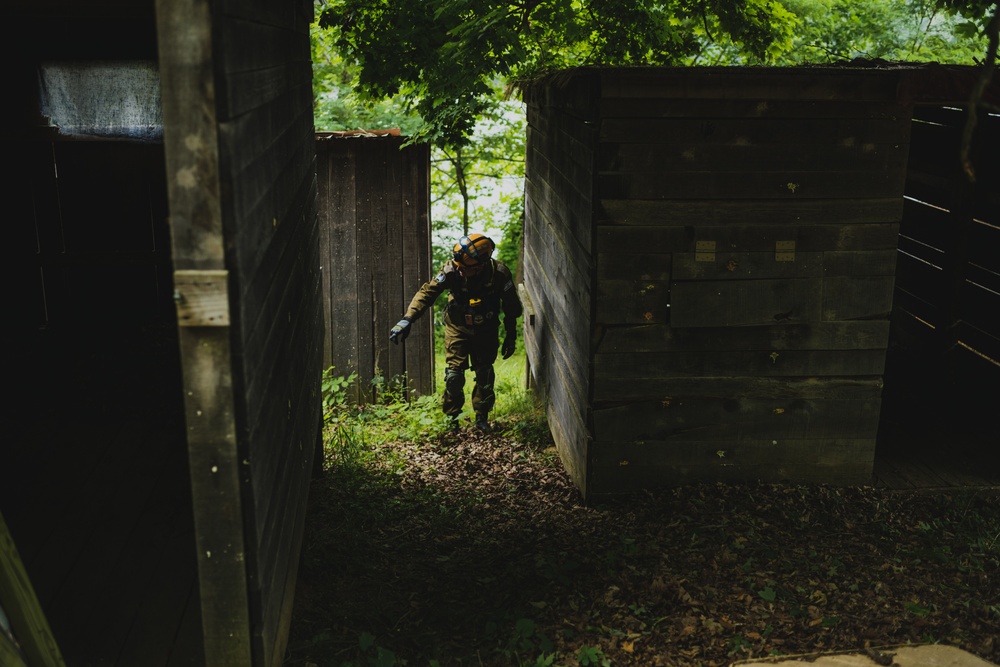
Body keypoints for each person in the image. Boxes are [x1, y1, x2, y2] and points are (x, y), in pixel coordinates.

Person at [389, 233, 522, 432]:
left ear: (480, 266)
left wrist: (511, 336)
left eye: (464, 269)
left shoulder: (499, 274)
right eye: (457, 266)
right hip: (457, 327)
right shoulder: (452, 269)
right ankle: (452, 420)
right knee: (454, 376)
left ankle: (481, 418)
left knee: (485, 372)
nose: (459, 271)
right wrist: (408, 319)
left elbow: (512, 307)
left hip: (486, 329)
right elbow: (427, 293)